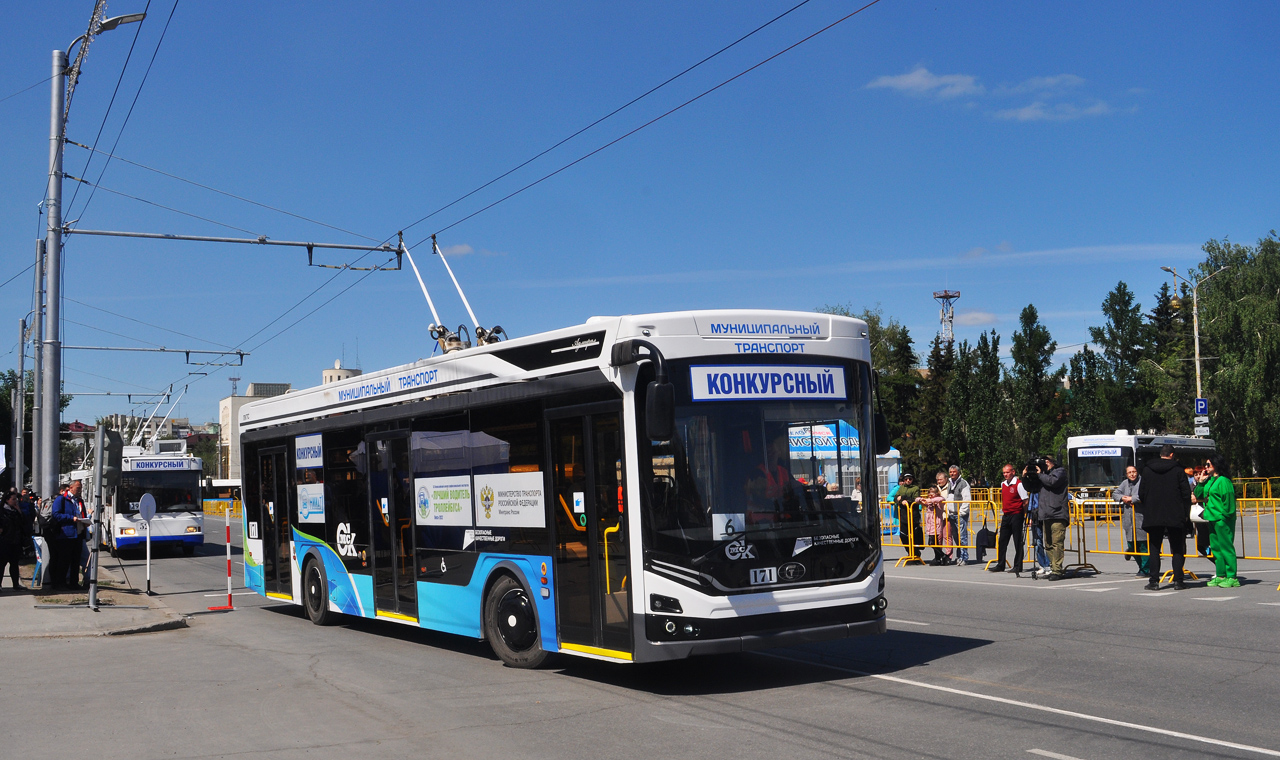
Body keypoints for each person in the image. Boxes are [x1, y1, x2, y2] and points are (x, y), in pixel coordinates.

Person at [1138, 444, 1193, 591]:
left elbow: (1141, 493)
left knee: (1155, 548)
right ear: (1172, 455)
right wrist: (1184, 511)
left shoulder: (1147, 470)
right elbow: (1186, 493)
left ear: (1161, 454)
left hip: (1153, 514)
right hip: (1175, 514)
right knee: (1177, 548)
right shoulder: (1178, 470)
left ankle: (1154, 581)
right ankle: (1178, 581)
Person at [1195, 454, 1239, 588]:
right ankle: (1221, 574)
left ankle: (1232, 576)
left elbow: (1229, 500)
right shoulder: (1210, 480)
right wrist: (1201, 482)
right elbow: (1198, 495)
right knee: (1216, 548)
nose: (1206, 468)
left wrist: (1226, 516)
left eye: (1208, 465)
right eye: (1206, 465)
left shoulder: (1224, 481)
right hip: (1212, 517)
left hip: (1222, 518)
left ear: (1216, 465)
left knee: (1226, 547)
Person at [1031, 455, 1069, 581]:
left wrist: (1040, 474)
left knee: (1057, 543)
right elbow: (1031, 487)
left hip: (1058, 514)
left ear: (1052, 462)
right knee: (1048, 544)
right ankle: (1053, 568)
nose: (1045, 464)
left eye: (1046, 462)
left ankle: (1057, 570)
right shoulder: (1042, 476)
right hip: (1045, 514)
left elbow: (1052, 482)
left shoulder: (1060, 472)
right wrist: (1027, 474)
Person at [989, 463, 1028, 573]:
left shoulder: (1019, 484)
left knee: (1018, 541)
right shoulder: (1003, 484)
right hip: (1006, 515)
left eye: (1007, 472)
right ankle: (1000, 564)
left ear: (1013, 472)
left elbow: (1025, 501)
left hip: (1016, 515)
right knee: (1002, 541)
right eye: (1004, 473)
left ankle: (1018, 565)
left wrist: (1024, 515)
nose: (1005, 474)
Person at [49, 480, 86, 590]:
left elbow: (82, 512)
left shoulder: (79, 501)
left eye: (80, 488)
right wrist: (71, 518)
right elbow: (56, 514)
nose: (79, 491)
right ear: (70, 488)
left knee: (76, 560)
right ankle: (60, 582)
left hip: (78, 533)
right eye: (78, 488)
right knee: (64, 560)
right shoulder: (62, 499)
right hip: (66, 534)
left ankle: (74, 582)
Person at [1114, 465, 1149, 576]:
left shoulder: (1143, 482)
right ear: (1126, 474)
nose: (1132, 474)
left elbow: (1145, 494)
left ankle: (1145, 569)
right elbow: (1115, 493)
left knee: (1143, 545)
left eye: (1134, 472)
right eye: (1129, 472)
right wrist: (1123, 498)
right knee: (1132, 545)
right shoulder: (1125, 483)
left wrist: (1132, 499)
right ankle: (1140, 567)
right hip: (1128, 520)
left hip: (1141, 518)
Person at [893, 473, 922, 559]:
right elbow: (895, 498)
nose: (908, 481)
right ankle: (910, 552)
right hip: (904, 516)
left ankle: (916, 554)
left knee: (914, 535)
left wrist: (902, 498)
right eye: (906, 479)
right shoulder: (901, 488)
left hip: (913, 515)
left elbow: (915, 499)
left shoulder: (915, 488)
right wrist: (900, 501)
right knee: (903, 535)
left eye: (910, 479)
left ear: (912, 480)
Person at [0, 490, 25, 591]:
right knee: (1, 564)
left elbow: (23, 524)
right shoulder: (2, 511)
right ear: (7, 500)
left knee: (14, 564)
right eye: (13, 499)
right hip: (4, 541)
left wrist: (19, 512)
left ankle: (16, 584)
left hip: (16, 541)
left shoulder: (16, 511)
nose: (15, 501)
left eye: (16, 499)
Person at [947, 465, 972, 565]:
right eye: (951, 472)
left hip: (960, 514)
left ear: (958, 472)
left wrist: (962, 512)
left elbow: (966, 499)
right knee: (956, 537)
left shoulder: (963, 483)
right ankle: (959, 556)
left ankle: (964, 557)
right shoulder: (950, 483)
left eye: (954, 472)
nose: (952, 474)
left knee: (962, 536)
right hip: (951, 514)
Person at [922, 484, 949, 565]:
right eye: (929, 493)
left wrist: (931, 500)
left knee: (931, 543)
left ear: (937, 493)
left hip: (936, 525)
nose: (931, 495)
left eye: (933, 493)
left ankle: (944, 555)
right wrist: (922, 500)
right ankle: (937, 558)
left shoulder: (939, 501)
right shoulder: (928, 502)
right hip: (929, 525)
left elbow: (941, 498)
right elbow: (917, 500)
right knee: (935, 543)